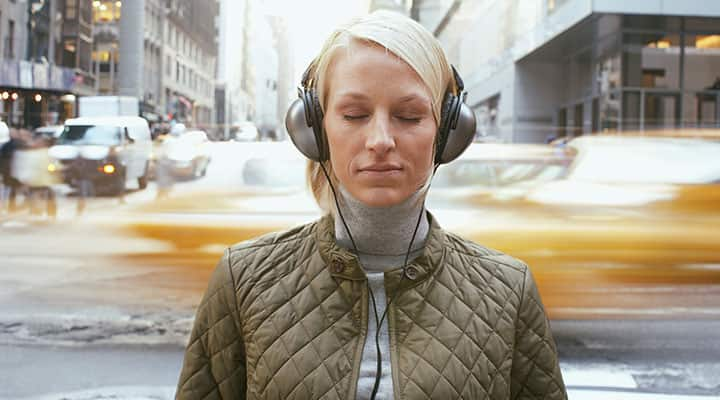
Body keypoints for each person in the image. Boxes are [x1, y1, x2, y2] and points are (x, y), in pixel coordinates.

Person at [176, 10, 566, 400]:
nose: (380, 139)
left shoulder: (508, 291)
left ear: (447, 132)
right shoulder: (244, 280)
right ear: (315, 129)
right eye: (355, 115)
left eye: (409, 116)